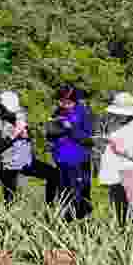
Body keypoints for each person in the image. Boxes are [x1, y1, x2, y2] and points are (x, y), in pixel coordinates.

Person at [0, 90, 58, 205]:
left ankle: (50, 208)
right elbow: (0, 147)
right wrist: (16, 133)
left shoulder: (19, 113)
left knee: (54, 175)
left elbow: (27, 132)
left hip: (26, 161)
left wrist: (27, 133)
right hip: (8, 165)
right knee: (10, 201)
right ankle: (7, 219)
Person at [46, 85, 95, 220]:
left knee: (78, 194)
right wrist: (54, 129)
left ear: (73, 101)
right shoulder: (57, 112)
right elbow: (49, 134)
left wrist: (70, 128)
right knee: (64, 193)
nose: (61, 104)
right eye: (60, 101)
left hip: (78, 161)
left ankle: (81, 222)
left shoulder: (84, 113)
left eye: (65, 101)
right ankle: (66, 221)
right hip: (62, 161)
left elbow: (89, 139)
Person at [97, 91, 133, 224]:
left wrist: (121, 150)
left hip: (129, 170)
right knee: (117, 205)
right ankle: (121, 232)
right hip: (113, 169)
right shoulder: (113, 122)